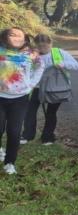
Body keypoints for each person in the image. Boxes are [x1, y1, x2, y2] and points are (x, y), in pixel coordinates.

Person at [20, 34, 78, 145]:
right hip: (36, 88)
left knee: (51, 113)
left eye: (45, 46)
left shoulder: (59, 52)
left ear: (50, 44)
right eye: (39, 46)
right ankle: (27, 135)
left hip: (55, 88)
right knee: (30, 112)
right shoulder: (32, 54)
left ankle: (48, 137)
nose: (42, 49)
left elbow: (76, 65)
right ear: (35, 45)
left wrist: (63, 64)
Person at [0, 27, 44, 174]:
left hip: (20, 99)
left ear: (25, 39)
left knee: (14, 131)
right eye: (13, 35)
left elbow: (40, 67)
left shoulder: (31, 54)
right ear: (5, 37)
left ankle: (10, 162)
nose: (17, 38)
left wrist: (31, 84)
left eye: (21, 36)